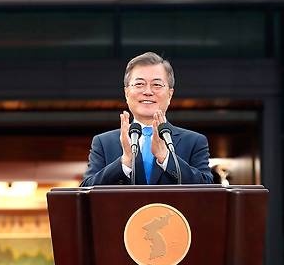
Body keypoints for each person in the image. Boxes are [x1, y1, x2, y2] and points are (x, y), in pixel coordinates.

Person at [80, 52, 213, 186]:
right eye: (139, 84)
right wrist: (125, 162)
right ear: (126, 93)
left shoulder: (194, 141)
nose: (148, 91)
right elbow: (86, 190)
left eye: (157, 85)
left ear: (170, 94)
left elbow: (208, 190)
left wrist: (166, 158)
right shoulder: (104, 142)